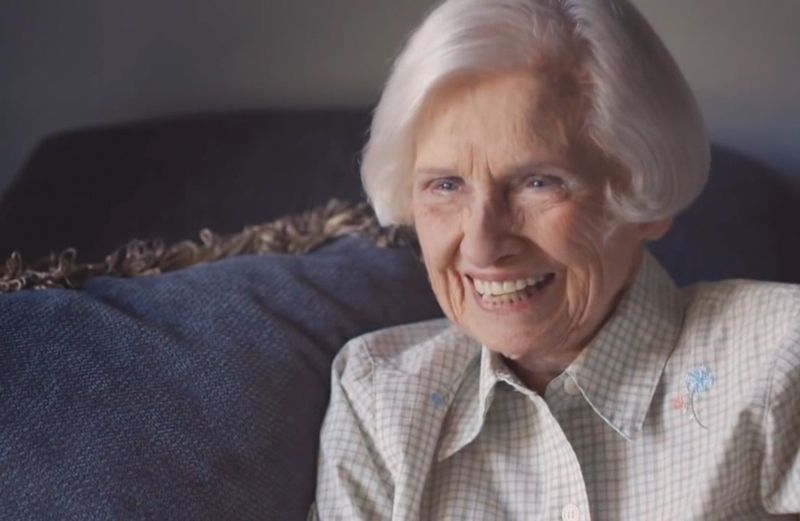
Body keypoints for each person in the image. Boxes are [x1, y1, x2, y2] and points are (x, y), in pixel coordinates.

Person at [310, 0, 800, 518]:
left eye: (537, 183)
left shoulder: (779, 360)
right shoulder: (379, 398)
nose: (481, 245)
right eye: (446, 185)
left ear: (644, 198)